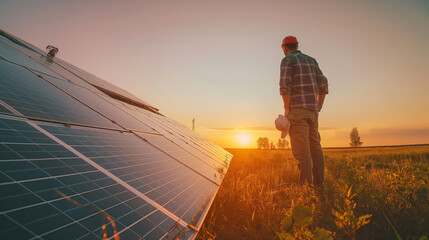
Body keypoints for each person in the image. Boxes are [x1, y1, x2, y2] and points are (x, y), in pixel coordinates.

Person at [279, 36, 329, 185]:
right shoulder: (311, 60)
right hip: (312, 112)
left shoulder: (287, 60)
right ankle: (319, 185)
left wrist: (287, 108)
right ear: (297, 45)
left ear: (284, 48)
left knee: (302, 151)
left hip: (297, 111)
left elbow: (284, 86)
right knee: (315, 148)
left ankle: (305, 190)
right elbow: (324, 84)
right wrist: (318, 106)